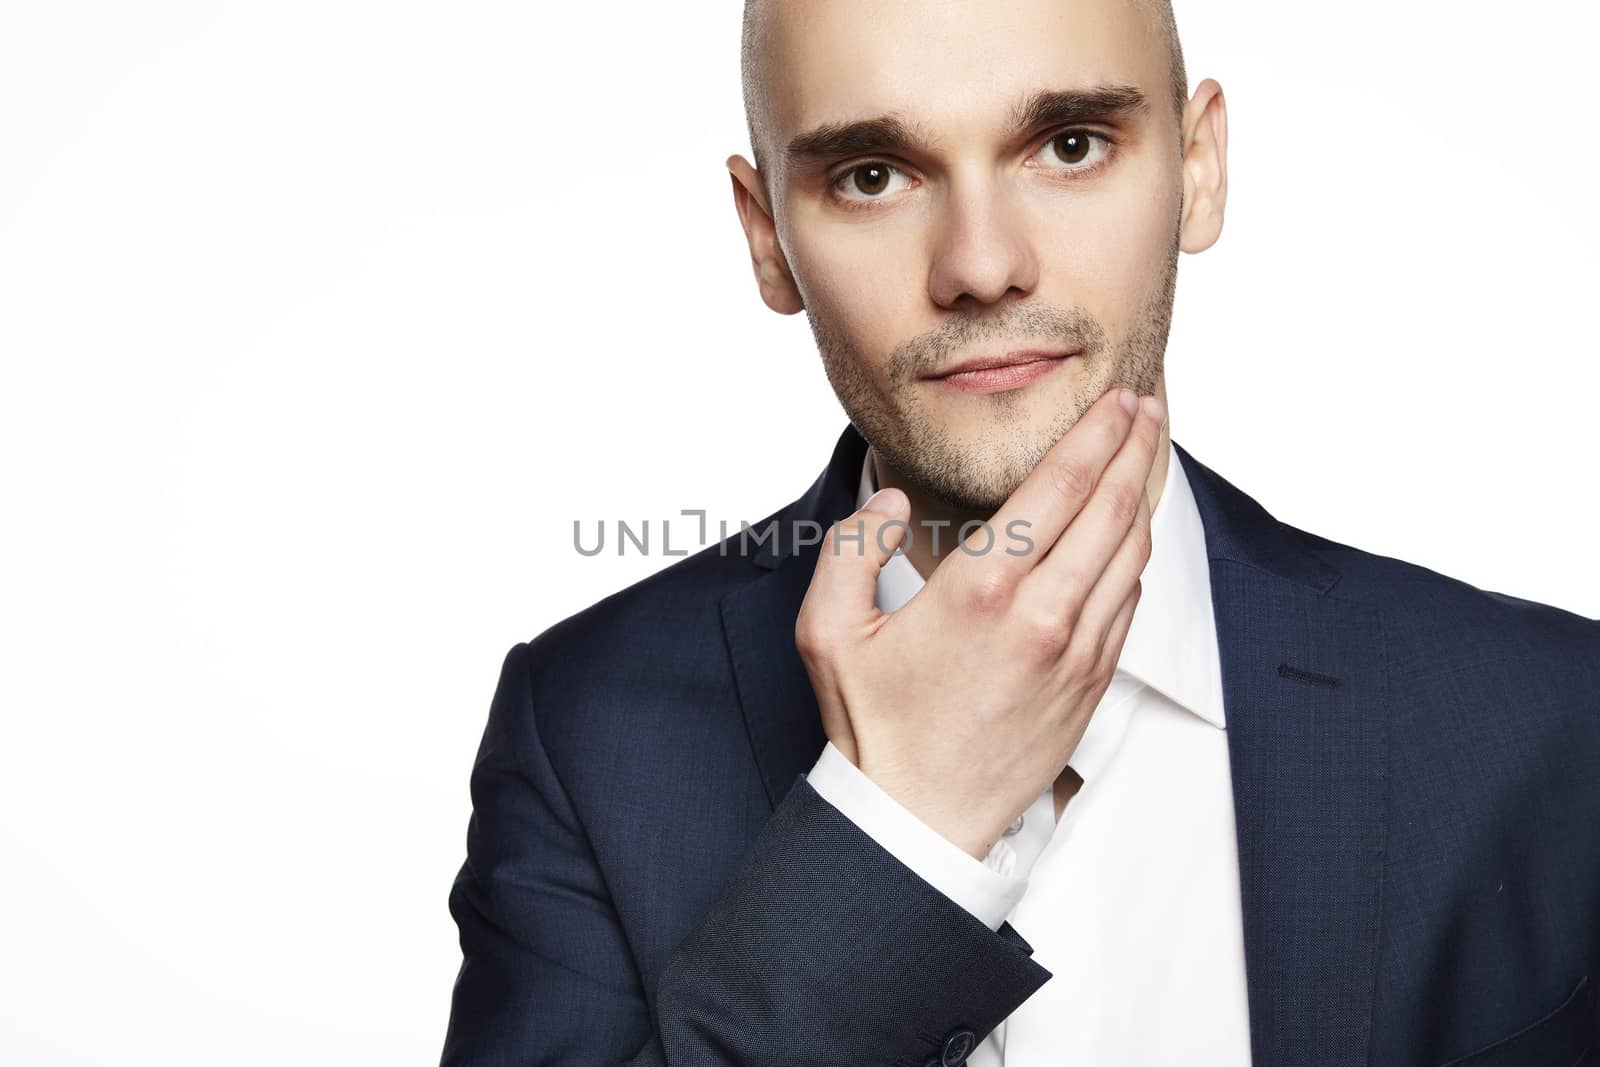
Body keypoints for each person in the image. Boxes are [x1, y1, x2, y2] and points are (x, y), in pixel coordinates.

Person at [439, 1, 1600, 1063]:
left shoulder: (1550, 721)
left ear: (1197, 169)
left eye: (1070, 145)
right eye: (873, 173)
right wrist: (898, 833)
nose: (982, 265)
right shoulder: (587, 734)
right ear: (764, 236)